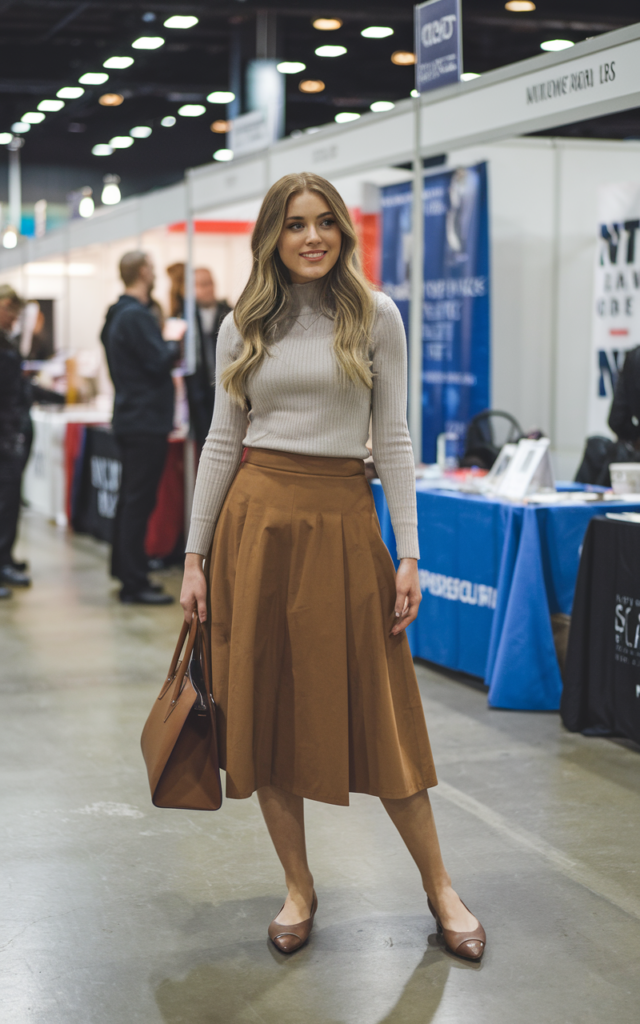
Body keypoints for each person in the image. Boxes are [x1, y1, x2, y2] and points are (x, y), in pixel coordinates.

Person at [179, 173, 486, 960]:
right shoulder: (243, 323)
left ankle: (441, 887)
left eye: (324, 222)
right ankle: (298, 888)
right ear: (271, 237)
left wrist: (409, 550)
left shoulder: (375, 315)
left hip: (345, 525)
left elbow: (394, 438)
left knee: (381, 713)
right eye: (294, 224)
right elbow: (221, 440)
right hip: (254, 528)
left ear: (343, 231)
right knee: (265, 712)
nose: (311, 237)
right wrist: (194, 555)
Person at [101, 251, 179, 605]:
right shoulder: (135, 316)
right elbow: (158, 360)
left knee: (130, 499)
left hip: (132, 417)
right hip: (144, 420)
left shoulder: (117, 314)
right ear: (144, 271)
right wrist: (174, 341)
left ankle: (126, 569)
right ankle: (133, 580)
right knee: (138, 501)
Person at [0, 285, 30, 594]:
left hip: (10, 429)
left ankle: (5, 557)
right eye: (11, 312)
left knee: (9, 500)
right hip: (4, 432)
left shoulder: (7, 341)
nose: (13, 320)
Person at [184, 267, 232, 453]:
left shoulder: (229, 314)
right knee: (202, 446)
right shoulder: (186, 316)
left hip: (226, 388)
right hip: (197, 393)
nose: (208, 289)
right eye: (202, 284)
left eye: (210, 283)